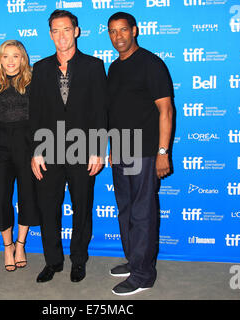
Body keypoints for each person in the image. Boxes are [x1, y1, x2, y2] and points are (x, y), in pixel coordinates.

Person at [30, 10, 107, 283]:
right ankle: (53, 261)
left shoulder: (94, 66)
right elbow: (35, 114)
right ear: (50, 34)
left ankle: (78, 260)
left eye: (65, 29)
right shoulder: (39, 69)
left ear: (76, 31)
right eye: (55, 30)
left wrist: (99, 149)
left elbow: (100, 111)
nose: (60, 35)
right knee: (48, 208)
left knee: (82, 207)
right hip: (49, 151)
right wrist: (36, 151)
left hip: (83, 150)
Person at [107, 12, 174, 295]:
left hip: (145, 151)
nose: (118, 36)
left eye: (123, 30)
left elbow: (166, 110)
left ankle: (144, 275)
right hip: (121, 149)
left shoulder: (151, 64)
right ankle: (135, 261)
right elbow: (118, 111)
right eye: (112, 31)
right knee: (125, 209)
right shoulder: (114, 67)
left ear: (134, 31)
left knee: (143, 211)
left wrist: (163, 152)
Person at [0, 40, 39, 272]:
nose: (11, 61)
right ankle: (7, 246)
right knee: (2, 198)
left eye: (16, 56)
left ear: (23, 59)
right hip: (2, 144)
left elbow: (42, 112)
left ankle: (21, 244)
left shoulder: (33, 81)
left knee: (28, 195)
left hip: (28, 143)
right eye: (6, 56)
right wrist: (4, 115)